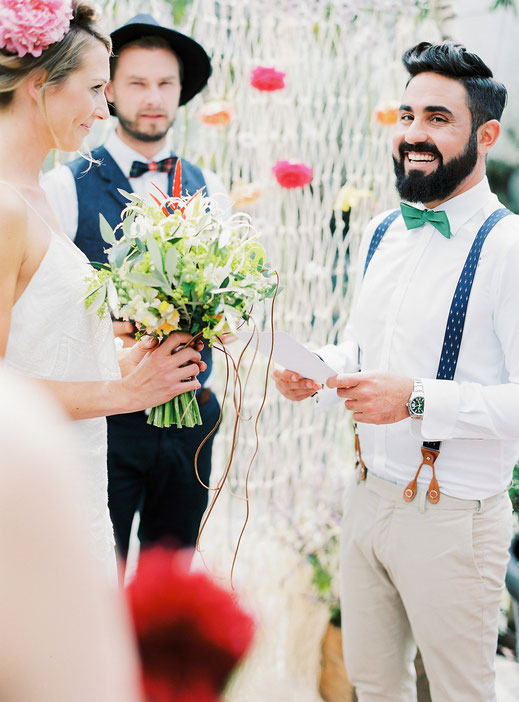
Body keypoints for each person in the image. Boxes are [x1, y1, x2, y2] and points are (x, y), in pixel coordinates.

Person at [273, 41, 518, 702]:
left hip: (453, 516)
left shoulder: (508, 249)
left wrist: (414, 402)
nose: (413, 134)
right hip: (365, 498)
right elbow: (361, 351)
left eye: (437, 118)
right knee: (371, 685)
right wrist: (316, 373)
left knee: (459, 691)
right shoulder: (383, 230)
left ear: (484, 135)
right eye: (406, 115)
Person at [0, 0, 204, 580]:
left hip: (72, 481)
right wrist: (127, 392)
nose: (103, 107)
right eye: (95, 88)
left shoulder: (32, 192)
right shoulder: (6, 205)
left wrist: (122, 359)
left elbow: (38, 342)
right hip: (25, 498)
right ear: (40, 84)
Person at [42, 14, 225, 565]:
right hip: (107, 426)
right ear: (111, 92)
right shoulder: (63, 186)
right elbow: (49, 311)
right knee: (99, 575)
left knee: (170, 583)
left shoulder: (209, 186)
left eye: (165, 84)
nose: (153, 98)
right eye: (137, 83)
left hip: (190, 420)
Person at [0, 364, 142, 702]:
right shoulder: (23, 444)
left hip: (83, 451)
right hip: (43, 449)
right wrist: (124, 391)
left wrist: (124, 360)